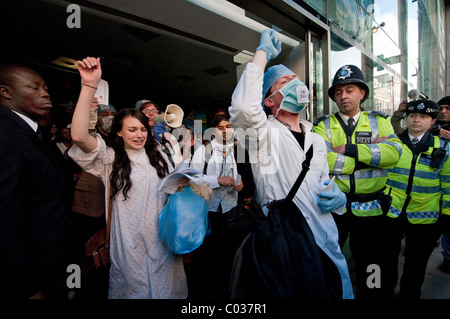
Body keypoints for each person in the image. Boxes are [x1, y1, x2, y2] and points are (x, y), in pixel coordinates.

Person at [229, 29, 353, 299]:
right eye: (284, 81)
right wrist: (261, 55)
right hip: (286, 243)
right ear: (270, 101)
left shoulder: (317, 139)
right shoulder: (263, 135)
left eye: (296, 78)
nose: (296, 84)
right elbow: (243, 110)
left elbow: (321, 182)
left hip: (324, 238)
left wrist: (338, 198)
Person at [68, 57, 187, 299]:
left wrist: (181, 183)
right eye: (132, 129)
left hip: (162, 240)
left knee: (166, 290)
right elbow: (80, 135)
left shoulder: (160, 156)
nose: (139, 134)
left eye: (143, 129)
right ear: (119, 132)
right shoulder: (109, 157)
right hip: (128, 244)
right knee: (134, 290)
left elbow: (172, 189)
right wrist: (89, 85)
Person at [313, 64, 403, 298]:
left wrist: (351, 149)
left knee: (372, 264)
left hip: (371, 208)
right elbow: (322, 161)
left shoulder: (379, 121)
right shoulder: (322, 125)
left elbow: (393, 155)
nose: (343, 96)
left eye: (350, 90)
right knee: (329, 259)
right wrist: (371, 156)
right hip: (335, 208)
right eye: (339, 92)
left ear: (362, 93)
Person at [0, 63, 73, 298]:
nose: (45, 93)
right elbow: (5, 218)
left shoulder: (30, 133)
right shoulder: (6, 135)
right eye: (34, 87)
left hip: (50, 259)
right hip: (31, 273)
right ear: (6, 92)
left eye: (46, 88)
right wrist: (28, 286)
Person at [383, 99, 450, 298]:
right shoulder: (392, 143)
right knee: (385, 262)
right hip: (391, 214)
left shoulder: (444, 147)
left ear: (433, 121)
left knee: (416, 267)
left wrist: (447, 214)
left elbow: (448, 183)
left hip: (426, 220)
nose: (416, 120)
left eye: (423, 117)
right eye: (412, 115)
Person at [187, 113, 244, 299]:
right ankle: (205, 293)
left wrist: (239, 181)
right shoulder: (203, 151)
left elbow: (237, 174)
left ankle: (225, 289)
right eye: (220, 128)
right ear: (213, 131)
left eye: (228, 127)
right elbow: (191, 179)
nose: (225, 131)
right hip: (208, 211)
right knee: (207, 255)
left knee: (227, 253)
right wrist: (217, 180)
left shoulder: (236, 150)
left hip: (229, 209)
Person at [136, 99, 183, 167]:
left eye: (154, 111)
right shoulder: (137, 136)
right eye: (146, 111)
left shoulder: (169, 137)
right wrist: (156, 141)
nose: (151, 113)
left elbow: (179, 161)